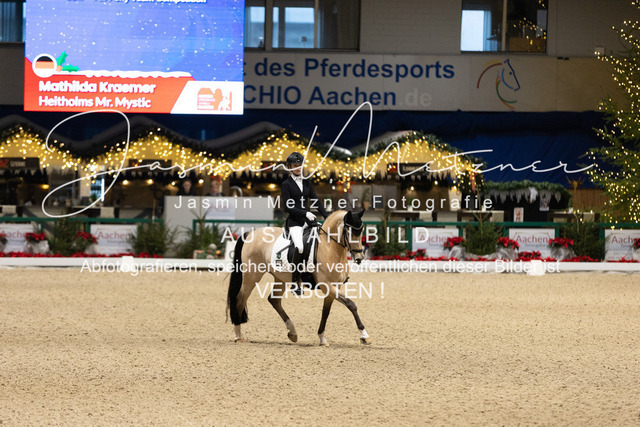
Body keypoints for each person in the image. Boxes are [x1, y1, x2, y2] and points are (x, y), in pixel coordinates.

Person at [281, 152, 328, 285]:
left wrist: (327, 216)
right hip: (295, 222)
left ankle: (316, 274)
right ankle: (295, 281)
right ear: (289, 167)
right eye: (295, 165)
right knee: (300, 246)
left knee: (321, 242)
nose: (298, 168)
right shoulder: (286, 184)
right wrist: (305, 213)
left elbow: (315, 201)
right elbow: (288, 207)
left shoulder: (307, 183)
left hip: (309, 222)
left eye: (300, 165)